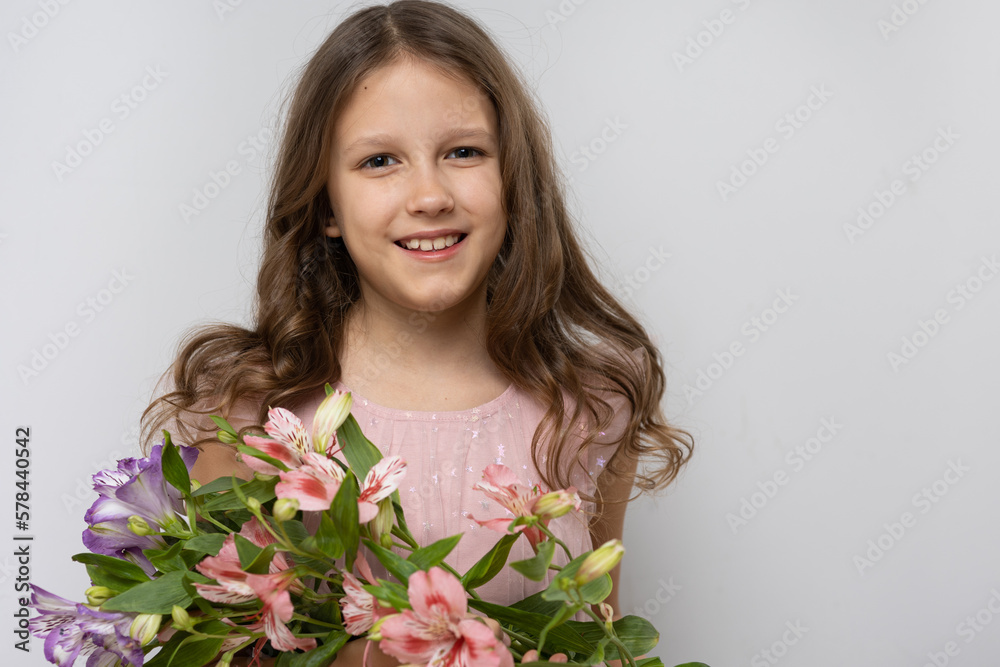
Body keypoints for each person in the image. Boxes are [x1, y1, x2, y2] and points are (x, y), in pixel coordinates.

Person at [141, 1, 693, 664]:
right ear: (325, 207)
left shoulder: (589, 405)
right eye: (380, 161)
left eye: (463, 151)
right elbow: (199, 639)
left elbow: (604, 635)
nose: (430, 195)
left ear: (513, 180)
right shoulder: (254, 409)